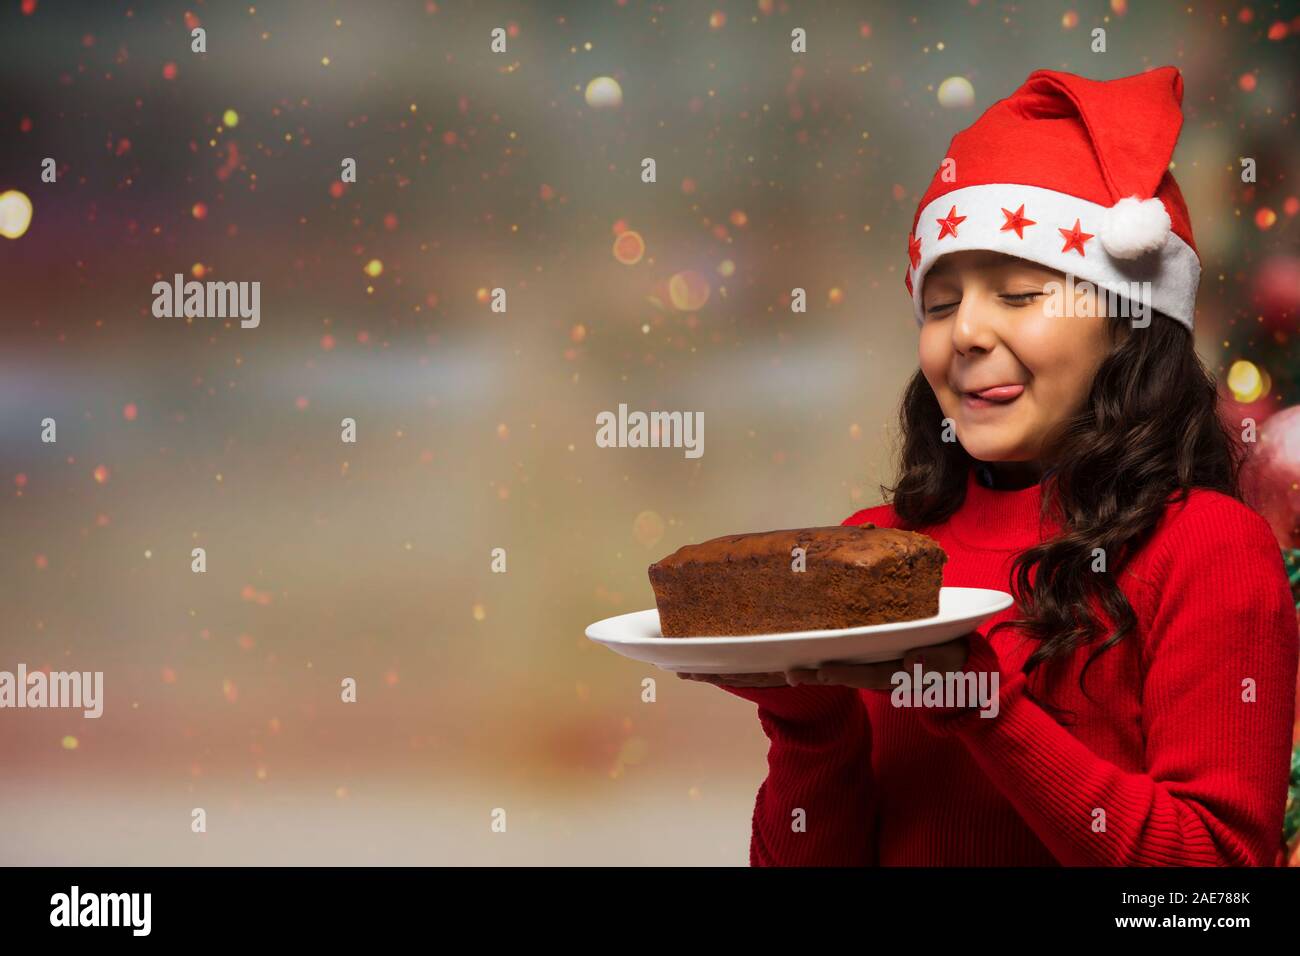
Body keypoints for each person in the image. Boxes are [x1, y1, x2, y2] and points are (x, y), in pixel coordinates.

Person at [681, 66, 1300, 866]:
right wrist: (809, 720)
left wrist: (986, 709)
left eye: (1015, 294)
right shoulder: (875, 558)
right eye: (939, 304)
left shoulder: (1212, 551)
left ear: (1129, 324)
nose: (963, 333)